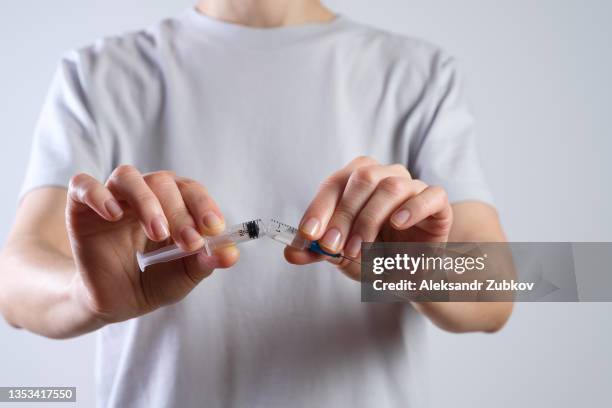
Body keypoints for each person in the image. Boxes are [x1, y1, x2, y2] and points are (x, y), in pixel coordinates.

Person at [0, 0, 512, 406]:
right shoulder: (99, 73)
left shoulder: (418, 74)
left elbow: (499, 292)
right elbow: (14, 281)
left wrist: (411, 270)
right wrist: (83, 295)